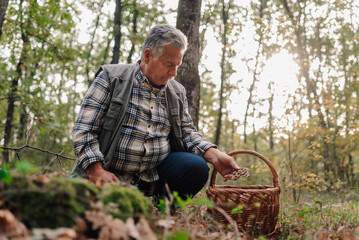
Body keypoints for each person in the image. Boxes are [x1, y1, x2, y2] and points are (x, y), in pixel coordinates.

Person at [71, 24, 239, 200]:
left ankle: (162, 211)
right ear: (148, 55)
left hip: (152, 177)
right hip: (109, 175)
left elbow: (187, 132)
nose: (173, 73)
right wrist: (95, 170)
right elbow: (84, 129)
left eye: (177, 66)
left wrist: (216, 156)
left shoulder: (177, 92)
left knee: (195, 167)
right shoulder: (111, 78)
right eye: (169, 64)